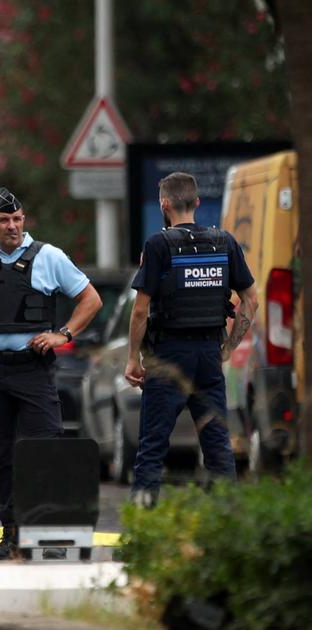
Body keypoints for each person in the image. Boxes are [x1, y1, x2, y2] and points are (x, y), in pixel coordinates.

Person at [0, 187, 102, 561]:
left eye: (17, 219)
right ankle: (11, 534)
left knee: (44, 450)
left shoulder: (50, 257)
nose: (12, 226)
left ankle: (49, 535)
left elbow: (90, 299)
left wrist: (63, 334)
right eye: (4, 220)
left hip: (33, 368)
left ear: (24, 220)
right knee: (3, 455)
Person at [123, 172, 257, 507]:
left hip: (169, 356)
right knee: (217, 444)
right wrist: (228, 347)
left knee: (152, 446)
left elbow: (140, 311)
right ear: (197, 202)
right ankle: (227, 524)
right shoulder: (225, 242)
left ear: (164, 204)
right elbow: (251, 299)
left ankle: (143, 526)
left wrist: (132, 358)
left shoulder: (158, 245)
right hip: (209, 355)